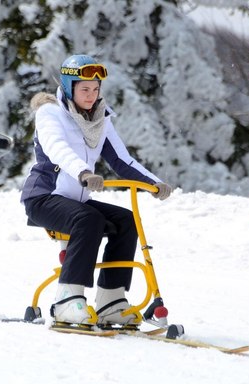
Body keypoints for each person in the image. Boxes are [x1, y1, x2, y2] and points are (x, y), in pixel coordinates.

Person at [20, 54, 172, 328]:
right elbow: (56, 148)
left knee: (125, 220)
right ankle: (67, 300)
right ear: (69, 87)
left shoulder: (100, 118)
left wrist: (153, 183)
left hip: (75, 200)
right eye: (84, 89)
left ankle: (111, 301)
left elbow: (120, 160)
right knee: (88, 219)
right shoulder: (50, 113)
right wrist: (83, 172)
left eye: (95, 89)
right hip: (44, 197)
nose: (91, 96)